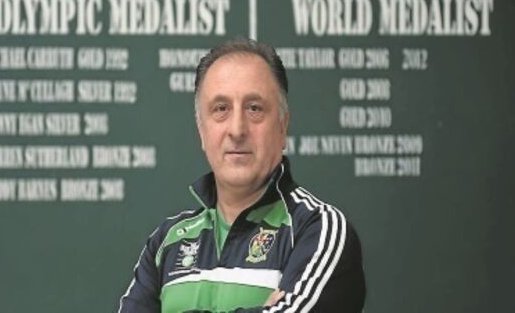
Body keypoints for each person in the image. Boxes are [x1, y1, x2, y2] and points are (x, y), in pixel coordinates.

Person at [118, 39, 365, 312]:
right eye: (221, 109)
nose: (237, 130)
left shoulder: (319, 230)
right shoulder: (166, 242)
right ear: (201, 131)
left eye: (254, 108)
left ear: (282, 126)